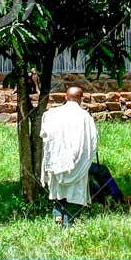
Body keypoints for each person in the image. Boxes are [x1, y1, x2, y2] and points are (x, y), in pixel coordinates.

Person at [40, 85, 98, 227]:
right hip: (77, 162)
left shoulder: (51, 114)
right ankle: (68, 224)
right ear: (81, 99)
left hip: (57, 161)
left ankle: (58, 215)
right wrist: (83, 158)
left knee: (59, 190)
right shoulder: (86, 117)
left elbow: (44, 136)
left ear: (66, 97)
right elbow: (93, 141)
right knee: (75, 191)